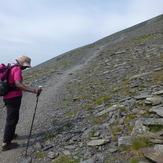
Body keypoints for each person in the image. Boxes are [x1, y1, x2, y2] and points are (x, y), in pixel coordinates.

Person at [1, 55, 42, 151]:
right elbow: (18, 84)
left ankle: (11, 134)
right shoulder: (17, 69)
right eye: (26, 66)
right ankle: (6, 144)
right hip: (13, 97)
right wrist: (34, 91)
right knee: (12, 119)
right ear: (22, 64)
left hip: (6, 96)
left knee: (12, 117)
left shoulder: (10, 67)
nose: (25, 68)